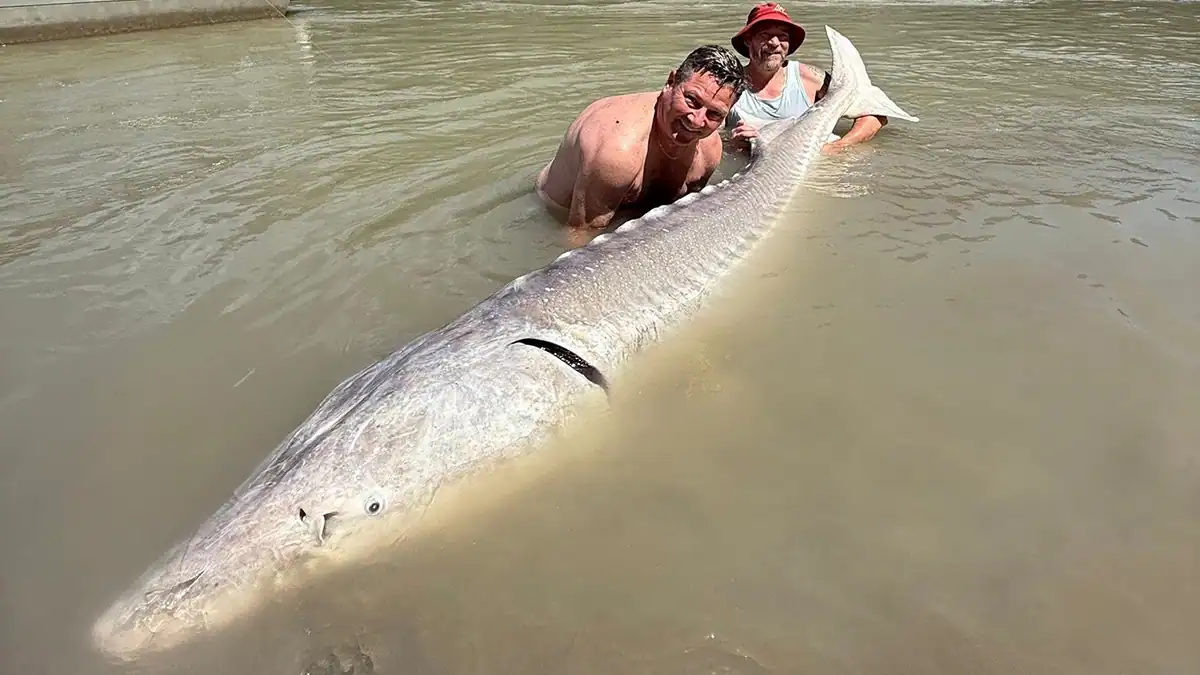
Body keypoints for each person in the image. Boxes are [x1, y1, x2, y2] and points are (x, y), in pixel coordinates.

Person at [535, 44, 747, 235]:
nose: (697, 120)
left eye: (714, 114)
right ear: (670, 82)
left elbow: (683, 220)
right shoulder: (617, 152)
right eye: (692, 100)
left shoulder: (710, 151)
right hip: (552, 211)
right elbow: (579, 236)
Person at [726, 2, 887, 154]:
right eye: (765, 35)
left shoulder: (812, 79)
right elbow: (706, 135)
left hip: (807, 165)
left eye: (782, 36)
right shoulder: (728, 85)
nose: (774, 43)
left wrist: (839, 146)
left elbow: (875, 115)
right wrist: (730, 145)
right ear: (748, 40)